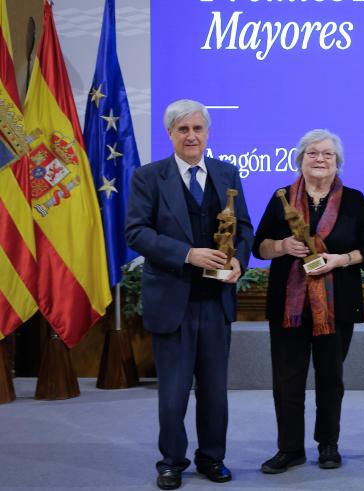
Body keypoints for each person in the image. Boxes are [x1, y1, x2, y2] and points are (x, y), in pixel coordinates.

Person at [125, 99, 253, 490]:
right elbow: (136, 232)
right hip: (173, 300)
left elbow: (244, 229)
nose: (191, 136)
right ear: (170, 135)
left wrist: (239, 263)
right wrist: (187, 254)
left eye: (197, 128)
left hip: (216, 301)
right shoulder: (149, 177)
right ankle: (171, 462)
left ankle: (212, 459)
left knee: (215, 391)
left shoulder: (226, 172)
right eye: (183, 130)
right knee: (174, 392)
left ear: (208, 133)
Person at [252, 129, 364, 474]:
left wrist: (339, 260)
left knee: (330, 379)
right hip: (288, 308)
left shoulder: (354, 200)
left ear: (338, 161)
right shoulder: (280, 197)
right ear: (300, 159)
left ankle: (328, 445)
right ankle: (290, 448)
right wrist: (281, 247)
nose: (320, 159)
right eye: (312, 153)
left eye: (327, 154)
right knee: (287, 379)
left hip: (337, 305)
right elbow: (259, 246)